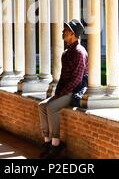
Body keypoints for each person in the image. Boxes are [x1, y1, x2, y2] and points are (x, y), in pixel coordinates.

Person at [38, 19, 88, 159]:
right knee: (42, 106)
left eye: (66, 30)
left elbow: (76, 80)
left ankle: (56, 144)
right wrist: (58, 92)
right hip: (65, 91)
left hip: (74, 91)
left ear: (72, 34)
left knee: (51, 107)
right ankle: (47, 142)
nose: (63, 32)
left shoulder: (79, 52)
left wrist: (61, 94)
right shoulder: (66, 53)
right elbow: (63, 77)